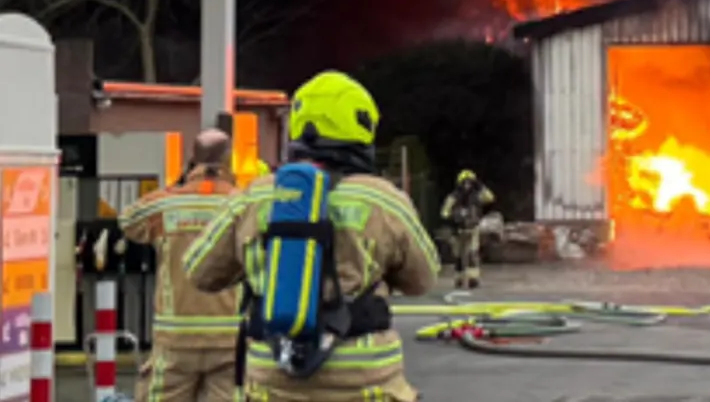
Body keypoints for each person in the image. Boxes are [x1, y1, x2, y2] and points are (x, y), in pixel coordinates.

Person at [184, 71, 441, 402]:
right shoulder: (383, 199)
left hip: (273, 380)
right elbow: (423, 279)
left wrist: (255, 262)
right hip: (366, 381)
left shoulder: (254, 196)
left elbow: (198, 270)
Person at [119, 128, 241, 402]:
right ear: (229, 160)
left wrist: (177, 187)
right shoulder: (241, 203)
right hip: (229, 335)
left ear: (192, 160)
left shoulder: (169, 204)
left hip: (175, 335)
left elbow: (128, 219)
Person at [440, 170, 495, 288]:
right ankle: (459, 278)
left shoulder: (477, 196)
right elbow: (444, 212)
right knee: (458, 255)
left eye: (470, 182)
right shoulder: (453, 197)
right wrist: (454, 217)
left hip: (473, 228)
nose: (467, 185)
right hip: (457, 231)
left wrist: (481, 187)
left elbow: (490, 197)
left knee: (472, 253)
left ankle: (473, 278)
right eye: (464, 183)